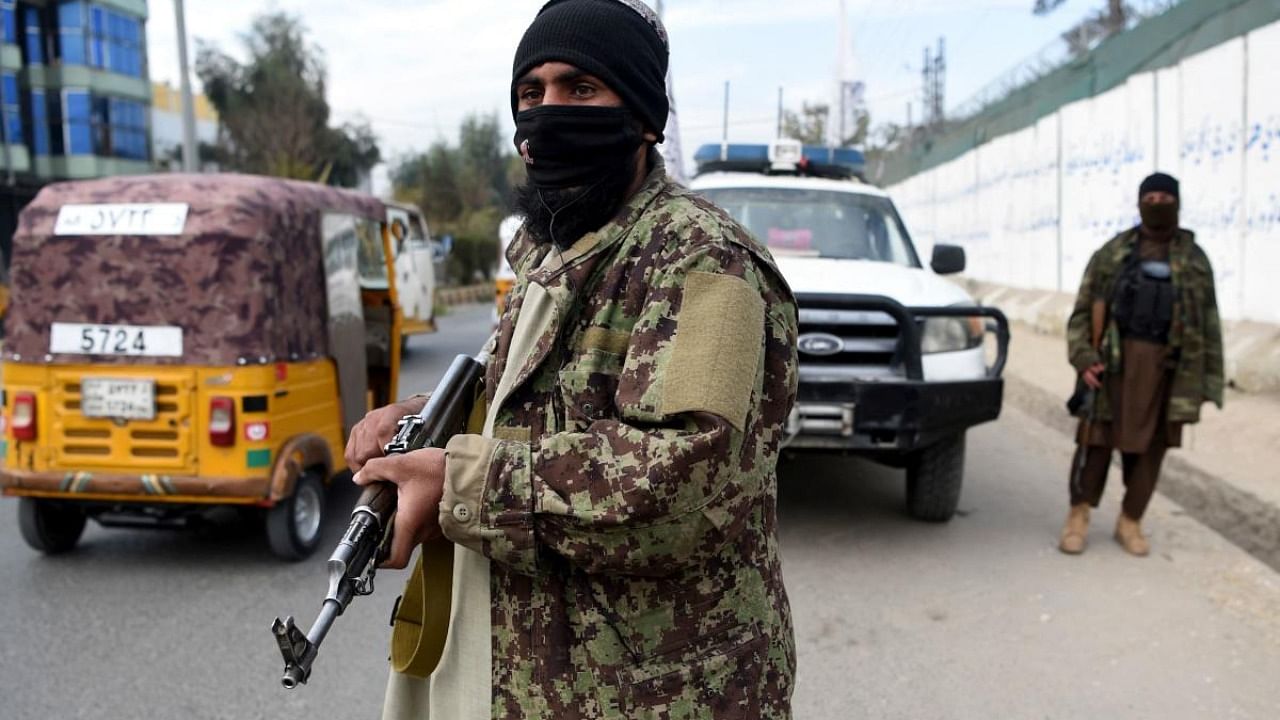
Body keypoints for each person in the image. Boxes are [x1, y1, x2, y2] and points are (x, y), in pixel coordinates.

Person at [346, 1, 799, 717]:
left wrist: (463, 484)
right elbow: (519, 402)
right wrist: (412, 424)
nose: (549, 111)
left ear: (643, 116)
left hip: (656, 693)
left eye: (580, 88)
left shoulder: (705, 261)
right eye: (533, 93)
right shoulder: (547, 254)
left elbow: (683, 486)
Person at [1060, 172, 1224, 557]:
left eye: (1164, 197)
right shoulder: (1112, 254)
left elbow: (1210, 323)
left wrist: (1207, 382)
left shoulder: (1195, 261)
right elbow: (1082, 312)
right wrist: (1084, 357)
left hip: (1167, 371)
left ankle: (1130, 520)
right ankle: (1078, 515)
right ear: (1138, 203)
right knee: (1095, 442)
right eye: (1149, 196)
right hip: (1112, 364)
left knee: (1151, 448)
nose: (1156, 203)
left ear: (1178, 204)